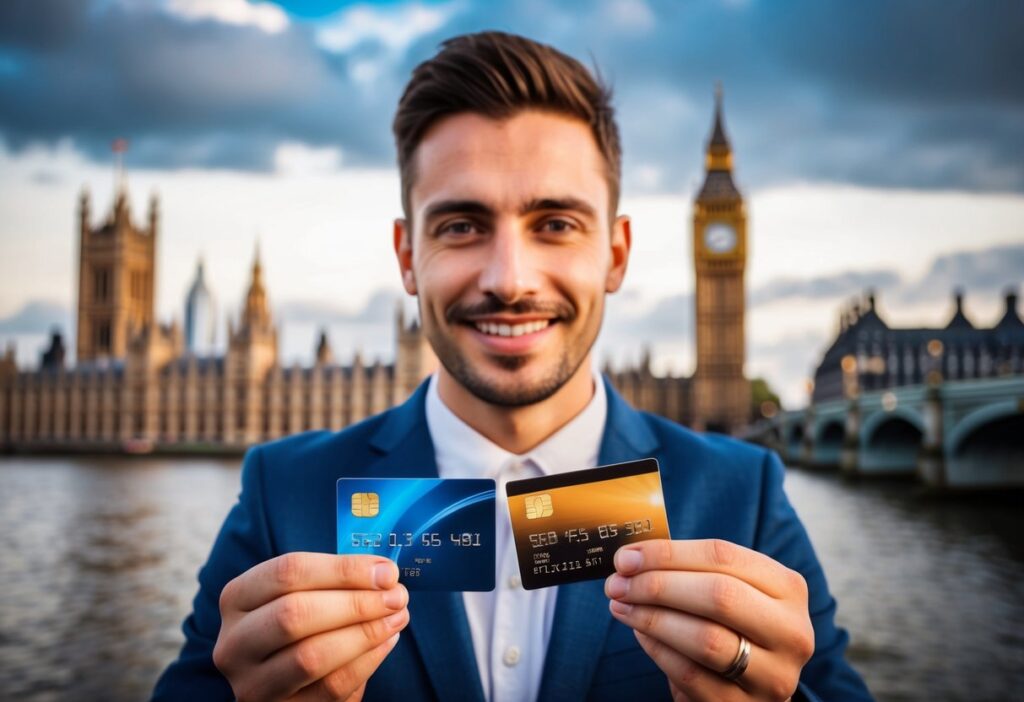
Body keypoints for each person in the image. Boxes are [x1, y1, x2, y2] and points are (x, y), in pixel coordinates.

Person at [153, 31, 872, 702]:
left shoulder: (741, 497)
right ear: (407, 257)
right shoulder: (285, 497)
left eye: (555, 224)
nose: (510, 277)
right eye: (462, 225)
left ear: (616, 254)